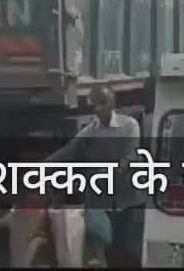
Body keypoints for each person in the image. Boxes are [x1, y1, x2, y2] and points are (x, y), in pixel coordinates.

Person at [45, 84, 145, 267]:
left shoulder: (129, 125)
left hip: (127, 200)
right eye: (95, 105)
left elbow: (130, 157)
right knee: (100, 243)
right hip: (100, 200)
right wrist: (43, 166)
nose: (99, 109)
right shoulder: (89, 131)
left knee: (128, 251)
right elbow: (67, 153)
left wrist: (106, 174)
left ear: (112, 103)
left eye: (103, 103)